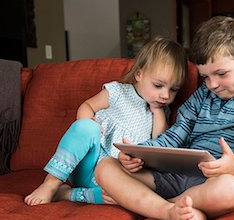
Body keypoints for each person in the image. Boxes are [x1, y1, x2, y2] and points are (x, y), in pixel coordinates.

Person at [94, 16, 234, 220]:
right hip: (174, 175)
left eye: (221, 73)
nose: (212, 84)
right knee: (105, 167)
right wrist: (139, 153)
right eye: (205, 77)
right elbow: (176, 134)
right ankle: (169, 211)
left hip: (216, 182)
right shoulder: (202, 96)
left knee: (232, 190)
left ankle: (157, 206)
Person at [24, 37, 187, 206]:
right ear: (139, 74)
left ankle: (68, 194)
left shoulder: (159, 112)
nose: (166, 95)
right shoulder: (118, 92)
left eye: (173, 89)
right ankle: (51, 183)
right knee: (86, 127)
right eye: (158, 86)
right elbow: (86, 106)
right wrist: (89, 122)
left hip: (112, 177)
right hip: (87, 162)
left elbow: (160, 145)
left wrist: (158, 112)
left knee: (125, 196)